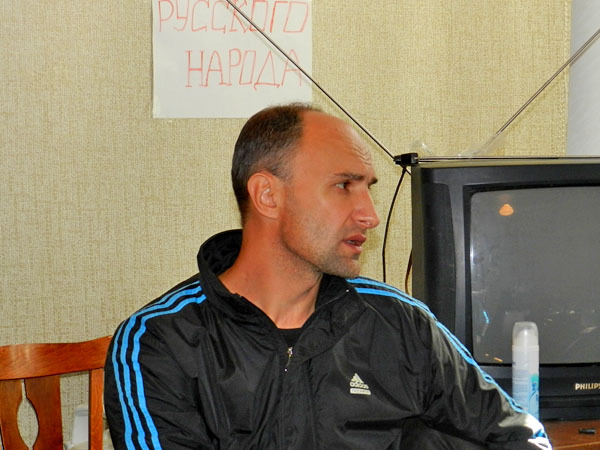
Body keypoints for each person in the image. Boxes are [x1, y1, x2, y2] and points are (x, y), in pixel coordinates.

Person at [104, 103, 552, 449]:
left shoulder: (400, 323)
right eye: (343, 186)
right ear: (267, 195)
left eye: (367, 189)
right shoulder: (159, 343)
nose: (370, 216)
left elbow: (520, 436)